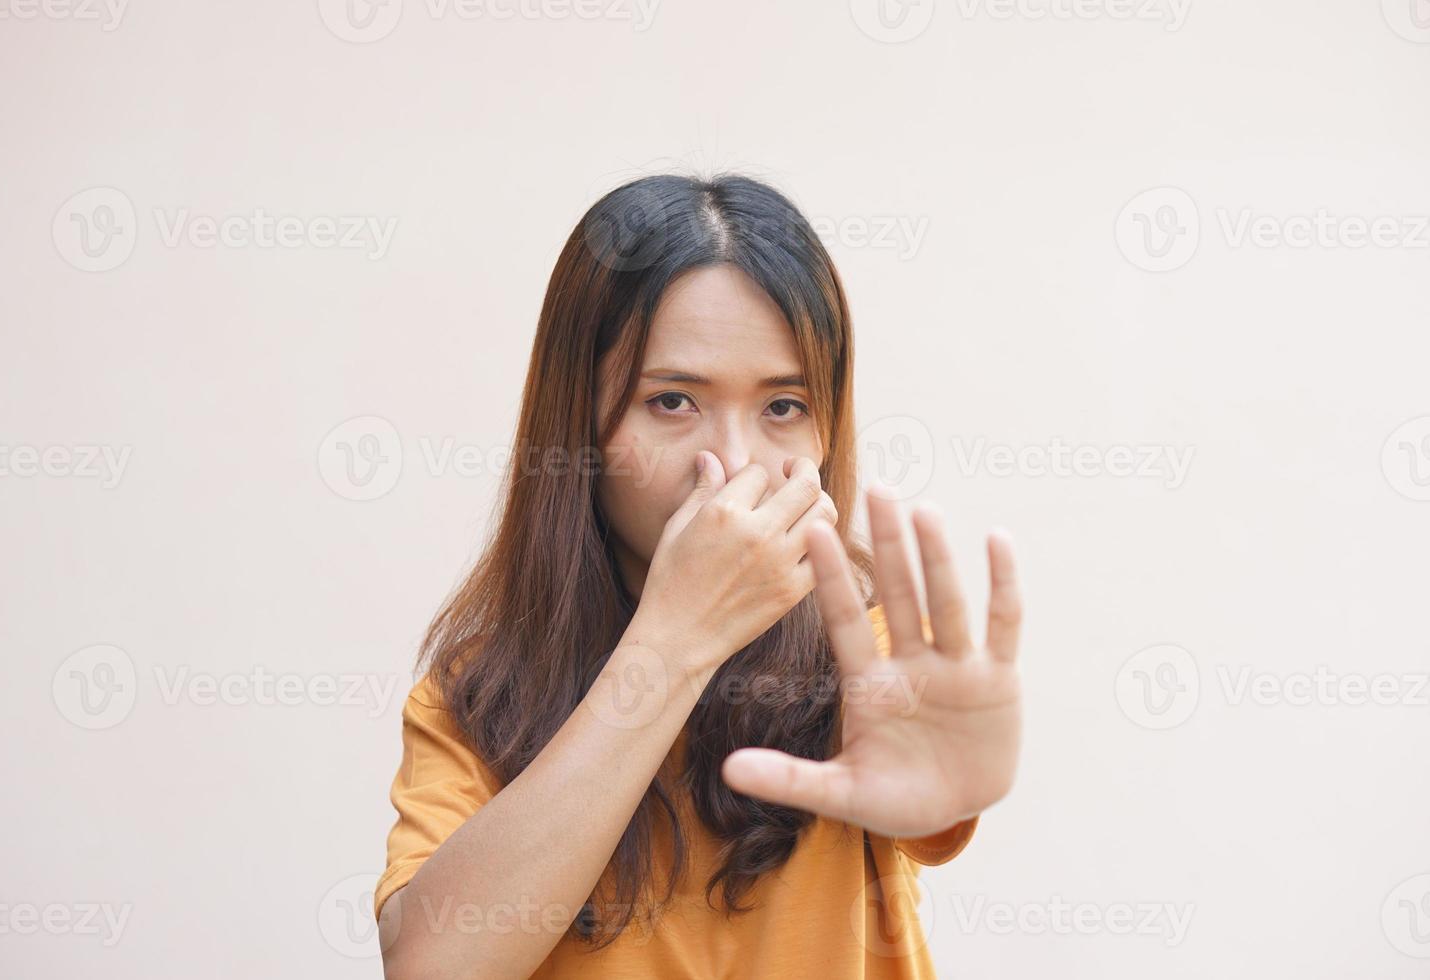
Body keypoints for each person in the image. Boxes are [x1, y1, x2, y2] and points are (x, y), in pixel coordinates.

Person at [373, 173, 1024, 979]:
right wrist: (674, 642)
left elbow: (927, 792)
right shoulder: (477, 694)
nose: (735, 464)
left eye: (783, 407)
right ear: (578, 426)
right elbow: (431, 967)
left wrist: (948, 784)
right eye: (673, 401)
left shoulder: (867, 648)